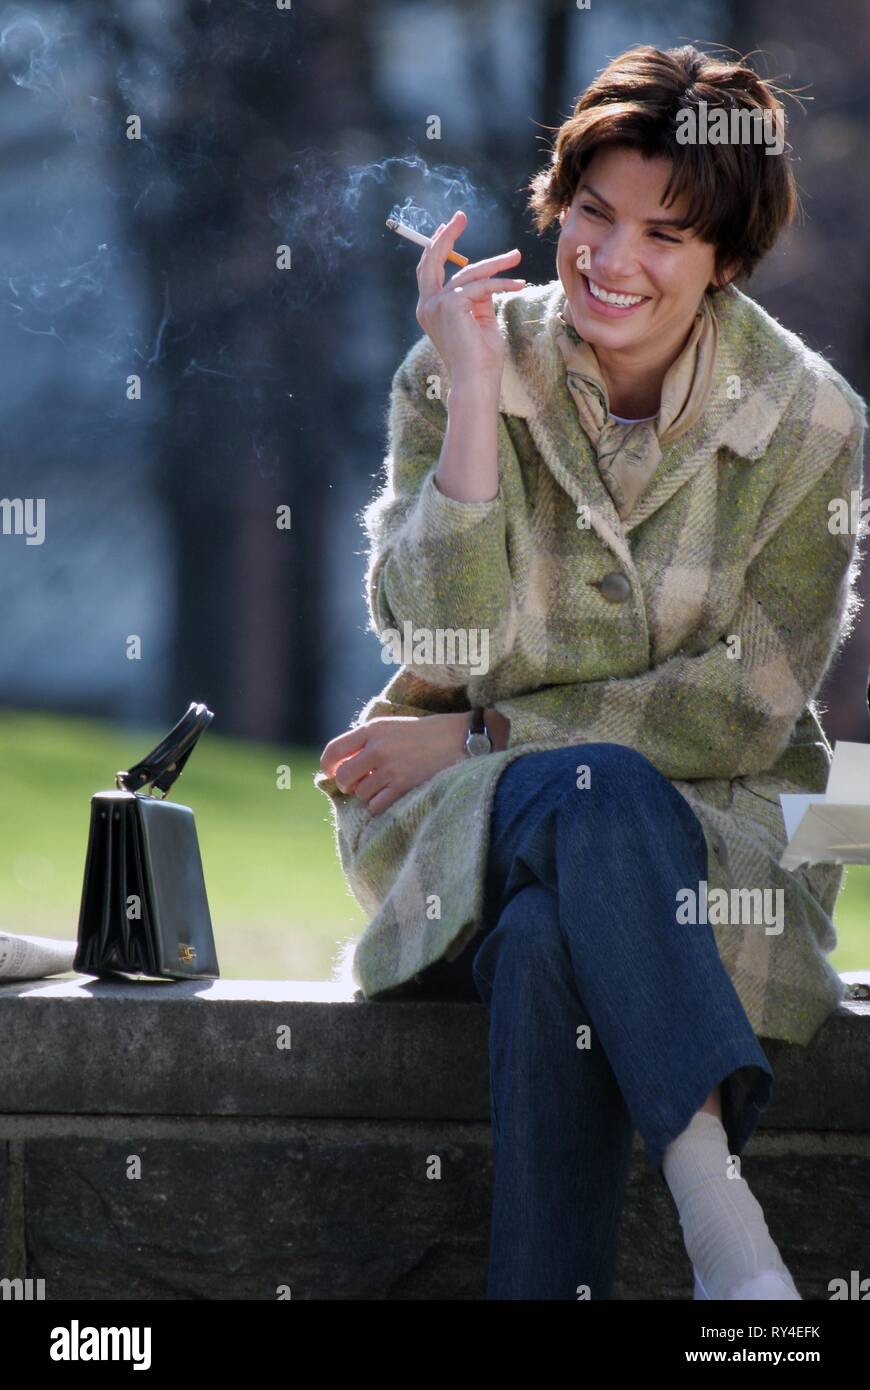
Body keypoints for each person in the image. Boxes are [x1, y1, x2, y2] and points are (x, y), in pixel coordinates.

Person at [315, 43, 867, 1300]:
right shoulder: (460, 358)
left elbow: (741, 704)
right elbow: (430, 643)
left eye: (666, 235)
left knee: (551, 933)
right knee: (586, 804)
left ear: (726, 259)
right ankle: (725, 1226)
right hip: (468, 834)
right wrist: (467, 399)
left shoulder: (812, 426)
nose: (614, 262)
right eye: (595, 216)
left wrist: (477, 736)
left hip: (712, 844)